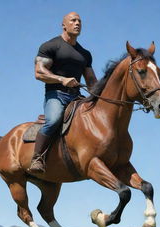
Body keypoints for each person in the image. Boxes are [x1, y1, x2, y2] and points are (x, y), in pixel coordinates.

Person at [28, 12, 97, 174]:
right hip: (56, 94)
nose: (77, 23)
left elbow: (92, 81)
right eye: (73, 20)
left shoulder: (85, 54)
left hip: (76, 96)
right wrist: (61, 79)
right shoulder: (51, 46)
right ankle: (37, 158)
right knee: (53, 120)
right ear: (64, 25)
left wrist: (101, 98)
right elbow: (39, 73)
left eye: (80, 21)